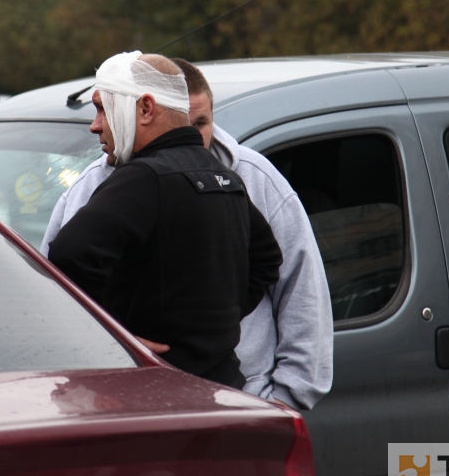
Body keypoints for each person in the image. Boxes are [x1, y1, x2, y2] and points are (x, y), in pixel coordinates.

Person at [43, 58, 333, 410]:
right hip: (228, 396)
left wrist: (115, 337)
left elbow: (65, 257)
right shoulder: (222, 176)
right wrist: (211, 322)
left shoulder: (145, 177)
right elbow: (267, 259)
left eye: (104, 108)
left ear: (146, 108)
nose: (94, 126)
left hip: (157, 398)